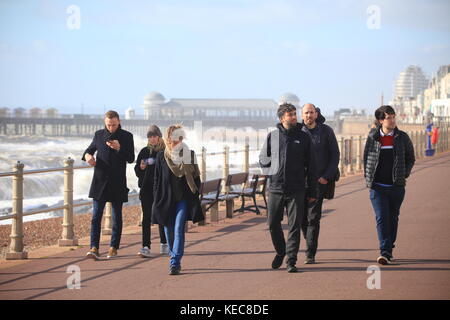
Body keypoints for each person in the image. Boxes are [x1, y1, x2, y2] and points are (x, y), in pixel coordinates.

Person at [259, 103, 318, 273]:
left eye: (294, 114)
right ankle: (280, 251)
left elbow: (312, 166)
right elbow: (263, 158)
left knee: (294, 225)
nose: (294, 117)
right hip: (276, 188)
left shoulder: (304, 137)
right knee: (272, 224)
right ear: (281, 118)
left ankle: (291, 260)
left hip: (297, 189)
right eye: (290, 114)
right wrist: (271, 166)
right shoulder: (273, 136)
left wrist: (312, 191)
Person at [364, 105, 415, 265]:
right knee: (381, 218)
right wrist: (368, 178)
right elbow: (366, 158)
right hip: (377, 187)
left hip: (396, 186)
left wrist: (404, 173)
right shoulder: (373, 137)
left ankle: (389, 247)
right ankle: (384, 251)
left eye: (393, 117)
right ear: (380, 120)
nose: (392, 120)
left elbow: (410, 158)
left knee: (393, 218)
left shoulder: (402, 137)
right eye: (388, 118)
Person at [152, 124, 204, 275]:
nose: (171, 143)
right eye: (169, 139)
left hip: (183, 199)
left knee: (179, 228)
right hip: (166, 199)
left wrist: (195, 194)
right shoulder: (161, 156)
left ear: (181, 139)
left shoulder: (190, 154)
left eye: (175, 140)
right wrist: (156, 198)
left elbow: (196, 178)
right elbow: (157, 180)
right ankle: (174, 255)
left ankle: (175, 262)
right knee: (168, 230)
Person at [82, 110, 135, 260]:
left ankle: (113, 247)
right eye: (108, 125)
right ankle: (94, 248)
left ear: (118, 121)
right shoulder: (99, 134)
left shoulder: (126, 136)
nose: (110, 127)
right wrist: (88, 157)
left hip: (117, 181)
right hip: (100, 181)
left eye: (113, 124)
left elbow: (131, 158)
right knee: (95, 216)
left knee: (116, 216)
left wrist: (119, 148)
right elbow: (89, 150)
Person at [300, 103, 340, 264]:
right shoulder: (297, 131)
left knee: (313, 217)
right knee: (301, 218)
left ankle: (310, 253)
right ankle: (309, 240)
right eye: (306, 113)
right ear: (302, 115)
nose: (309, 115)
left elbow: (335, 154)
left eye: (311, 112)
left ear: (316, 114)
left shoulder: (326, 131)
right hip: (299, 183)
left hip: (318, 182)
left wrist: (326, 176)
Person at [134, 125, 168, 257]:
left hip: (160, 189)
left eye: (154, 136)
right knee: (146, 218)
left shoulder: (165, 151)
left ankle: (164, 244)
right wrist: (141, 168)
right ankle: (145, 246)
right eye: (150, 137)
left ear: (159, 137)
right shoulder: (143, 152)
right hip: (146, 189)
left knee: (161, 216)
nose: (152, 139)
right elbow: (137, 171)